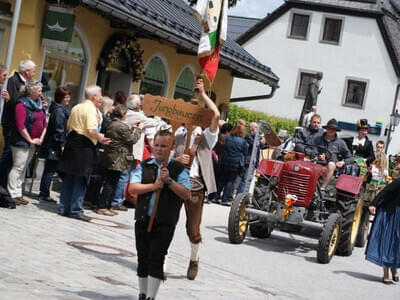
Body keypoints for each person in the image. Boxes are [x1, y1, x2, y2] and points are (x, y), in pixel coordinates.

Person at [129, 129, 191, 300]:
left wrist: (169, 181)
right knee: (143, 258)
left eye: (164, 146)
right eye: (156, 145)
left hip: (164, 221)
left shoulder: (178, 169)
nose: (159, 149)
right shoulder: (145, 165)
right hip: (143, 219)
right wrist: (154, 186)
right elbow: (133, 188)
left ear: (170, 148)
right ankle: (142, 293)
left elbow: (186, 194)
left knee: (156, 258)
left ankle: (151, 296)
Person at [173, 78, 220, 280]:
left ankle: (194, 258)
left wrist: (202, 96)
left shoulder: (206, 134)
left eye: (194, 112)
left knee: (192, 228)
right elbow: (165, 156)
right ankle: (162, 258)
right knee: (166, 221)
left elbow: (216, 115)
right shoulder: (178, 131)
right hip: (174, 180)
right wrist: (176, 158)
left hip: (194, 183)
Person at [58, 85, 110, 221]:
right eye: (100, 95)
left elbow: (68, 126)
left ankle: (64, 207)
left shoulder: (76, 107)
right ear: (94, 97)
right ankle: (75, 210)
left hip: (72, 142)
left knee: (69, 177)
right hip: (84, 146)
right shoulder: (91, 109)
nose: (101, 98)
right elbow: (91, 130)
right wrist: (102, 138)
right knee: (81, 178)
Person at [96, 104, 143, 216]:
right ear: (123, 114)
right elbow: (132, 139)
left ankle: (107, 205)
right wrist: (138, 130)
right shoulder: (121, 126)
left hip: (112, 157)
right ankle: (103, 206)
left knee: (112, 182)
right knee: (111, 183)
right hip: (117, 159)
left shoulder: (113, 124)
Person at [8, 80, 47, 205]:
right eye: (39, 90)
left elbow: (44, 123)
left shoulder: (40, 104)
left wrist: (40, 138)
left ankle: (19, 192)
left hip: (34, 141)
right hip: (21, 141)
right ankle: (12, 193)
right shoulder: (22, 104)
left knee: (24, 167)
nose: (41, 92)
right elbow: (20, 125)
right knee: (18, 166)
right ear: (31, 91)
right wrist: (29, 139)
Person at [0, 60, 36, 188]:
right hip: (11, 124)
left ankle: (7, 187)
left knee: (14, 158)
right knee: (9, 154)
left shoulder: (26, 83)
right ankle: (3, 185)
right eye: (33, 71)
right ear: (26, 72)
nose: (34, 74)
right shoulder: (13, 81)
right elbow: (16, 103)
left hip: (19, 125)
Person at [38, 87, 70, 202]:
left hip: (53, 144)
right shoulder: (60, 110)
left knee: (52, 169)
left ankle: (44, 193)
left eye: (68, 96)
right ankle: (44, 193)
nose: (68, 99)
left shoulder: (58, 109)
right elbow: (59, 129)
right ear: (61, 97)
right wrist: (62, 144)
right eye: (66, 97)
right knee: (51, 169)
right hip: (54, 145)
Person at [366, 178, 400, 284]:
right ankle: (386, 272)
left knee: (396, 244)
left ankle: (393, 268)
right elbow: (386, 190)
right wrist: (373, 204)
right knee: (387, 241)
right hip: (390, 213)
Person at [312, 118, 353, 190]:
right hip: (316, 163)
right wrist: (318, 155)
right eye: (329, 128)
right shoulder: (317, 139)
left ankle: (322, 189)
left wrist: (343, 162)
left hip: (331, 167)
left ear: (336, 130)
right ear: (326, 128)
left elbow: (350, 157)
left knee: (331, 164)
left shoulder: (340, 143)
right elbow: (311, 150)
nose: (331, 130)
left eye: (333, 129)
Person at [215, 119, 247, 205]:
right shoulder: (243, 141)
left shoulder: (228, 138)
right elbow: (245, 153)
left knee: (221, 179)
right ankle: (224, 199)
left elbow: (223, 148)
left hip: (225, 161)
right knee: (230, 181)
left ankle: (216, 197)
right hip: (235, 164)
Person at [237, 121, 262, 194]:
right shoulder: (248, 136)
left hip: (252, 162)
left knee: (248, 180)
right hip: (248, 161)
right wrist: (260, 140)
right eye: (256, 127)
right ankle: (240, 195)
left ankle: (243, 195)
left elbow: (261, 145)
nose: (258, 129)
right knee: (245, 179)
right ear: (252, 128)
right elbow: (255, 144)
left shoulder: (255, 137)